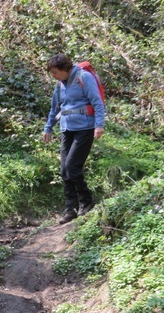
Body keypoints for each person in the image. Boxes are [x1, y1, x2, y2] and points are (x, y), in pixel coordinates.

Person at [43, 53, 105, 224]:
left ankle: (87, 202)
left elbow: (97, 102)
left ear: (65, 69)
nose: (54, 76)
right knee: (64, 170)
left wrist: (99, 125)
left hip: (85, 128)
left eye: (55, 72)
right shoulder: (59, 84)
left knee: (72, 166)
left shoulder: (83, 77)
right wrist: (48, 127)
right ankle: (70, 209)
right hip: (67, 128)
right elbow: (55, 107)